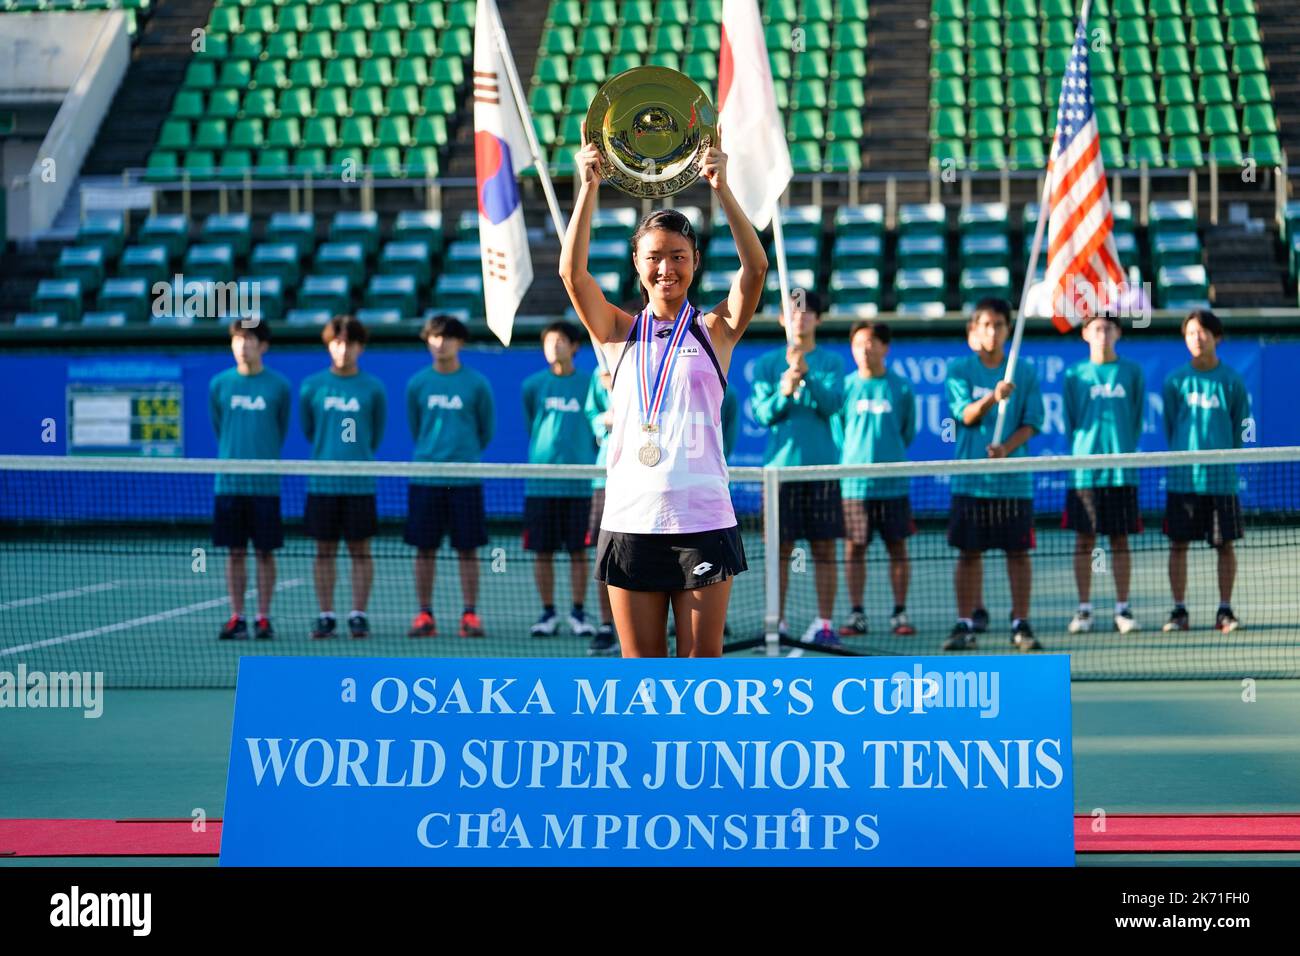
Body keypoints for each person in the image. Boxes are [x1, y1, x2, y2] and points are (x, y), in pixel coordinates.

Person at [559, 130, 765, 658]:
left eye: (678, 256)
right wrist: (588, 185)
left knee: (702, 671)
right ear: (637, 264)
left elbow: (756, 269)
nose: (665, 268)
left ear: (695, 260)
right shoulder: (615, 332)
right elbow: (571, 273)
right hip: (629, 520)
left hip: (704, 521)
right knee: (641, 675)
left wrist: (721, 187)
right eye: (654, 258)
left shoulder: (716, 329)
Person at [943, 298, 1044, 652]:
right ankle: (965, 622)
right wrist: (993, 396)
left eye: (999, 325)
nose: (992, 331)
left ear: (1007, 331)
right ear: (973, 332)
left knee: (1017, 553)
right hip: (971, 480)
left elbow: (1033, 423)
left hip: (1013, 481)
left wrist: (1006, 449)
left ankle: (1020, 623)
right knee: (969, 553)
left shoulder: (1025, 371)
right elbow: (965, 417)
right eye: (985, 325)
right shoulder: (958, 370)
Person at [751, 292, 846, 648]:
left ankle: (824, 624)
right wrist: (784, 391)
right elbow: (763, 415)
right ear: (781, 320)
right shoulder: (767, 364)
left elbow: (833, 405)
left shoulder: (831, 362)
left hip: (821, 471)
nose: (800, 318)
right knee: (779, 551)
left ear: (818, 320)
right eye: (792, 312)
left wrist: (808, 376)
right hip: (779, 474)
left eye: (807, 313)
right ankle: (778, 623)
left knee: (824, 550)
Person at [404, 315, 494, 639]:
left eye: (447, 337)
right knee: (424, 549)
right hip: (426, 478)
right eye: (434, 337)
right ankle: (424, 614)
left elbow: (485, 431)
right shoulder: (417, 383)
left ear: (460, 342)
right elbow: (417, 428)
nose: (440, 343)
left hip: (465, 478)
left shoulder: (476, 383)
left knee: (467, 549)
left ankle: (469, 614)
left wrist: (461, 457)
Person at [1161, 309, 1250, 633]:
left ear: (1217, 338)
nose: (1197, 339)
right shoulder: (1175, 381)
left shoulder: (1232, 381)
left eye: (1203, 333)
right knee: (1178, 545)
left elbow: (1242, 426)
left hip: (1221, 482)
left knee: (1225, 545)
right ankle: (1179, 611)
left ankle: (1225, 611)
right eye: (1190, 334)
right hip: (1183, 479)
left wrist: (1229, 457)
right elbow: (1171, 425)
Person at [299, 315, 387, 639]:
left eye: (350, 343)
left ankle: (358, 614)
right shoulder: (312, 386)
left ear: (360, 347)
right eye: (337, 342)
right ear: (328, 346)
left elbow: (374, 434)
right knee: (324, 551)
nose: (343, 349)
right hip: (322, 482)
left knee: (360, 551)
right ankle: (326, 615)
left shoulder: (373, 388)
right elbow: (310, 430)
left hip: (360, 483)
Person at [1062, 313, 1145, 635]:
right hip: (1084, 473)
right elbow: (1071, 422)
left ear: (1118, 333)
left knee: (1120, 540)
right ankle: (1084, 610)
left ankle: (1122, 609)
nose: (1102, 334)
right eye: (1096, 328)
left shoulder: (1132, 372)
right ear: (1085, 334)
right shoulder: (1074, 375)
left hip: (1122, 473)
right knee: (1085, 541)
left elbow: (1136, 420)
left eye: (1108, 328)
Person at [208, 319, 291, 640]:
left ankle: (263, 617)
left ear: (264, 346)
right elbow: (220, 426)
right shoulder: (219, 384)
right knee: (235, 552)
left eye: (250, 340)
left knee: (265, 552)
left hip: (265, 486)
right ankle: (237, 616)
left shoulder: (279, 386)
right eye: (237, 340)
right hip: (229, 485)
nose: (243, 347)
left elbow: (280, 429)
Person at [834, 320, 917, 638]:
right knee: (854, 549)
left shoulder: (901, 387)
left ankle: (899, 612)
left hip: (893, 483)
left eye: (871, 343)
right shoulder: (845, 387)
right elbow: (839, 433)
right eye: (857, 344)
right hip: (854, 485)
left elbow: (907, 431)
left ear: (885, 347)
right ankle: (856, 613)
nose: (864, 350)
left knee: (898, 547)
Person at [522, 321, 599, 639]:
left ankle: (578, 612)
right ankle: (548, 613)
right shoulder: (532, 385)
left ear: (575, 346)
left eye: (561, 341)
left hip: (581, 484)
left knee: (578, 552)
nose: (554, 347)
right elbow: (532, 424)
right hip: (541, 484)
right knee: (543, 550)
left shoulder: (589, 383)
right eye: (549, 341)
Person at [584, 366, 619, 655]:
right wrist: (603, 420)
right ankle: (608, 624)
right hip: (607, 476)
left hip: (655, 475)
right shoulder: (601, 370)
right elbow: (593, 414)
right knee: (606, 555)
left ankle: (667, 622)